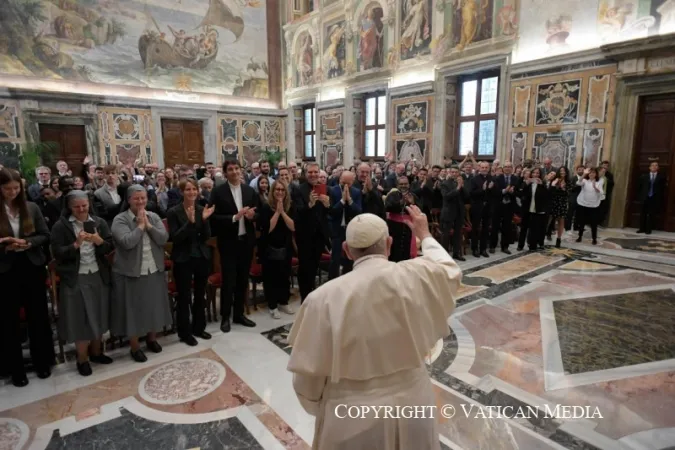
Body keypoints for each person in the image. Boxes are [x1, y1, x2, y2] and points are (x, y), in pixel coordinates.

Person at [287, 208, 462, 450]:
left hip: (351, 413)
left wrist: (324, 408)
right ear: (389, 244)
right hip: (414, 401)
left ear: (347, 250)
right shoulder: (417, 275)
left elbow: (307, 381)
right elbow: (448, 268)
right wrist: (425, 234)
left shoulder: (322, 299)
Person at [0, 168, 55, 387]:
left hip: (31, 266)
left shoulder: (31, 207)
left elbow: (45, 235)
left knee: (38, 317)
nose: (12, 193)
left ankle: (43, 362)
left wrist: (28, 243)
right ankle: (16, 369)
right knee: (9, 321)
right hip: (5, 270)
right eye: (7, 189)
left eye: (16, 188)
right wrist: (5, 243)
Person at [50, 190, 114, 376]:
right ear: (69, 207)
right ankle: (82, 359)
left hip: (97, 274)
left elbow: (109, 248)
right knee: (80, 319)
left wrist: (98, 241)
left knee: (99, 313)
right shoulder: (60, 227)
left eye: (84, 205)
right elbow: (57, 254)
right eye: (76, 206)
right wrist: (76, 245)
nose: (81, 209)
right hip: (75, 278)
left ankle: (97, 352)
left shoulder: (99, 222)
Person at [111, 185, 173, 362]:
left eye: (143, 198)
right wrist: (139, 226)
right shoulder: (120, 220)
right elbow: (126, 242)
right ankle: (135, 346)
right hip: (131, 271)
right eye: (136, 198)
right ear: (128, 200)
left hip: (153, 266)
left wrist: (149, 226)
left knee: (154, 306)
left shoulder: (152, 216)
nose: (140, 202)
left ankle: (152, 339)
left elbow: (163, 238)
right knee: (134, 310)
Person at [209, 160, 258, 332]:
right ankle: (225, 317)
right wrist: (233, 218)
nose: (234, 172)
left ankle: (238, 314)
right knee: (228, 280)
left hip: (246, 241)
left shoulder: (249, 190)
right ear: (225, 173)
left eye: (237, 168)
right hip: (228, 242)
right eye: (230, 169)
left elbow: (259, 211)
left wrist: (252, 216)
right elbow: (212, 218)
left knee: (243, 279)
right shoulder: (218, 192)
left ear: (241, 171)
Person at [167, 179, 214, 346]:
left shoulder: (202, 209)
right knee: (184, 297)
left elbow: (207, 236)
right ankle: (185, 332)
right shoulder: (173, 211)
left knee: (200, 294)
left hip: (200, 256)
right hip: (183, 257)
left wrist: (205, 220)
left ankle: (199, 327)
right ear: (182, 192)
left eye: (194, 189)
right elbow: (176, 237)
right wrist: (191, 222)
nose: (192, 192)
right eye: (188, 189)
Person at [292, 162, 331, 302]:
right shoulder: (298, 190)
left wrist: (327, 205)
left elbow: (326, 213)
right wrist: (310, 205)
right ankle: (305, 298)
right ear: (305, 173)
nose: (313, 175)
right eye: (310, 172)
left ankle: (312, 295)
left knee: (314, 266)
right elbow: (296, 213)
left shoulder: (323, 188)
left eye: (316, 172)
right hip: (304, 235)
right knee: (304, 269)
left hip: (319, 235)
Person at [258, 179, 296, 319]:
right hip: (269, 246)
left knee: (284, 275)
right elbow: (267, 229)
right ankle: (272, 305)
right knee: (271, 277)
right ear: (272, 192)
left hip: (285, 246)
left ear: (286, 192)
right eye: (277, 190)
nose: (279, 192)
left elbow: (293, 227)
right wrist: (277, 213)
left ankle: (283, 301)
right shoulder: (266, 207)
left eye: (282, 190)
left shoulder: (290, 207)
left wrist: (282, 212)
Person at [327, 171, 362, 279]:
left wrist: (350, 200)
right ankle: (332, 281)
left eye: (348, 183)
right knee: (335, 259)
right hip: (336, 229)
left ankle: (348, 280)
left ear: (353, 181)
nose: (346, 186)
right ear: (339, 179)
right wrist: (342, 201)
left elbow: (359, 211)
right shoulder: (332, 191)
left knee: (349, 258)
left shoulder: (356, 192)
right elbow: (331, 211)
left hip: (350, 229)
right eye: (343, 183)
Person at [489, 161, 519, 255]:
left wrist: (512, 192)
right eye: (505, 167)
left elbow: (518, 192)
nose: (507, 168)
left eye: (509, 167)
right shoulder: (497, 178)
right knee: (495, 227)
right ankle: (492, 246)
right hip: (498, 205)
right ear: (503, 168)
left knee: (507, 227)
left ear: (512, 168)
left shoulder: (516, 179)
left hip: (509, 206)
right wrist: (504, 191)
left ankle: (505, 246)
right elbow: (494, 192)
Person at [517, 168, 549, 252]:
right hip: (526, 208)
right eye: (534, 173)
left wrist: (542, 185)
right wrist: (527, 183)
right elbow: (521, 193)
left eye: (537, 173)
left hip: (536, 209)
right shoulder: (527, 182)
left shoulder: (542, 184)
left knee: (534, 228)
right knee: (524, 227)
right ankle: (520, 245)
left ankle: (532, 245)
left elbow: (546, 196)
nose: (535, 174)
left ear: (540, 175)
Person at [468, 161, 495, 257]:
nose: (484, 169)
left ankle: (483, 249)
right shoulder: (474, 179)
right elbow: (471, 193)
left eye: (486, 167)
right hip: (477, 207)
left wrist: (491, 189)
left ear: (489, 168)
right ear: (479, 168)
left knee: (485, 228)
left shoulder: (492, 179)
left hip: (487, 207)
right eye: (482, 167)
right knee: (475, 228)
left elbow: (495, 194)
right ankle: (475, 249)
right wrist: (483, 189)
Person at [440, 167, 467, 261]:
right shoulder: (444, 183)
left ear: (458, 173)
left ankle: (456, 253)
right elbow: (446, 197)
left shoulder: (460, 183)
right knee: (446, 234)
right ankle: (444, 255)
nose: (454, 174)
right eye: (452, 172)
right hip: (448, 211)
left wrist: (462, 187)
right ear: (449, 173)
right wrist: (458, 188)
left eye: (456, 172)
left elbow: (467, 197)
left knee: (458, 233)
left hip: (459, 212)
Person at [575, 168, 604, 245]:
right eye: (590, 173)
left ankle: (594, 239)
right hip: (583, 204)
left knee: (593, 223)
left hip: (594, 206)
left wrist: (595, 187)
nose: (592, 174)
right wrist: (584, 174)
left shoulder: (599, 182)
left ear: (596, 174)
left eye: (593, 173)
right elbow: (578, 182)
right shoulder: (585, 181)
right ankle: (580, 236)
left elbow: (601, 193)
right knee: (582, 222)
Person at [636, 161, 665, 235]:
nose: (654, 167)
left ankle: (648, 229)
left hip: (654, 198)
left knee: (651, 214)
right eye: (652, 165)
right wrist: (640, 196)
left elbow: (662, 189)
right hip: (645, 197)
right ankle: (641, 228)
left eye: (656, 165)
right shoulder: (644, 176)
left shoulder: (661, 177)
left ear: (658, 168)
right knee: (643, 213)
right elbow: (639, 187)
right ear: (649, 167)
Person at [549, 167, 570, 248]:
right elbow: (551, 190)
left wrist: (563, 188)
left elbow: (569, 193)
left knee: (561, 220)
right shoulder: (555, 179)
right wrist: (556, 185)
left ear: (566, 172)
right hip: (554, 201)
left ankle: (558, 239)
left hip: (563, 202)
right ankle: (543, 235)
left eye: (564, 171)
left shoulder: (568, 181)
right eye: (561, 171)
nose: (562, 172)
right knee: (549, 219)